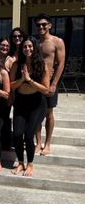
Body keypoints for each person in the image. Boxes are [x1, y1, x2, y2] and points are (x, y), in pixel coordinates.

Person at [10, 36, 50, 176]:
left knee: (28, 135)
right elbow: (10, 86)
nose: (27, 49)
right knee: (17, 134)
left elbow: (46, 89)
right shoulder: (16, 64)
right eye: (25, 47)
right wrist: (21, 79)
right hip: (20, 102)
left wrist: (29, 80)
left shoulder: (41, 64)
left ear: (35, 47)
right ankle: (20, 163)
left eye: (30, 46)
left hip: (37, 104)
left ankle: (30, 164)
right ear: (21, 49)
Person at [34, 13, 65, 155]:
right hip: (36, 82)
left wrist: (54, 84)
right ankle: (38, 142)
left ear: (49, 25)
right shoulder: (35, 43)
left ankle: (47, 144)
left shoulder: (57, 41)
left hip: (50, 83)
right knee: (36, 113)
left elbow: (61, 64)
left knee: (49, 113)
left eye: (44, 24)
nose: (41, 27)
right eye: (38, 25)